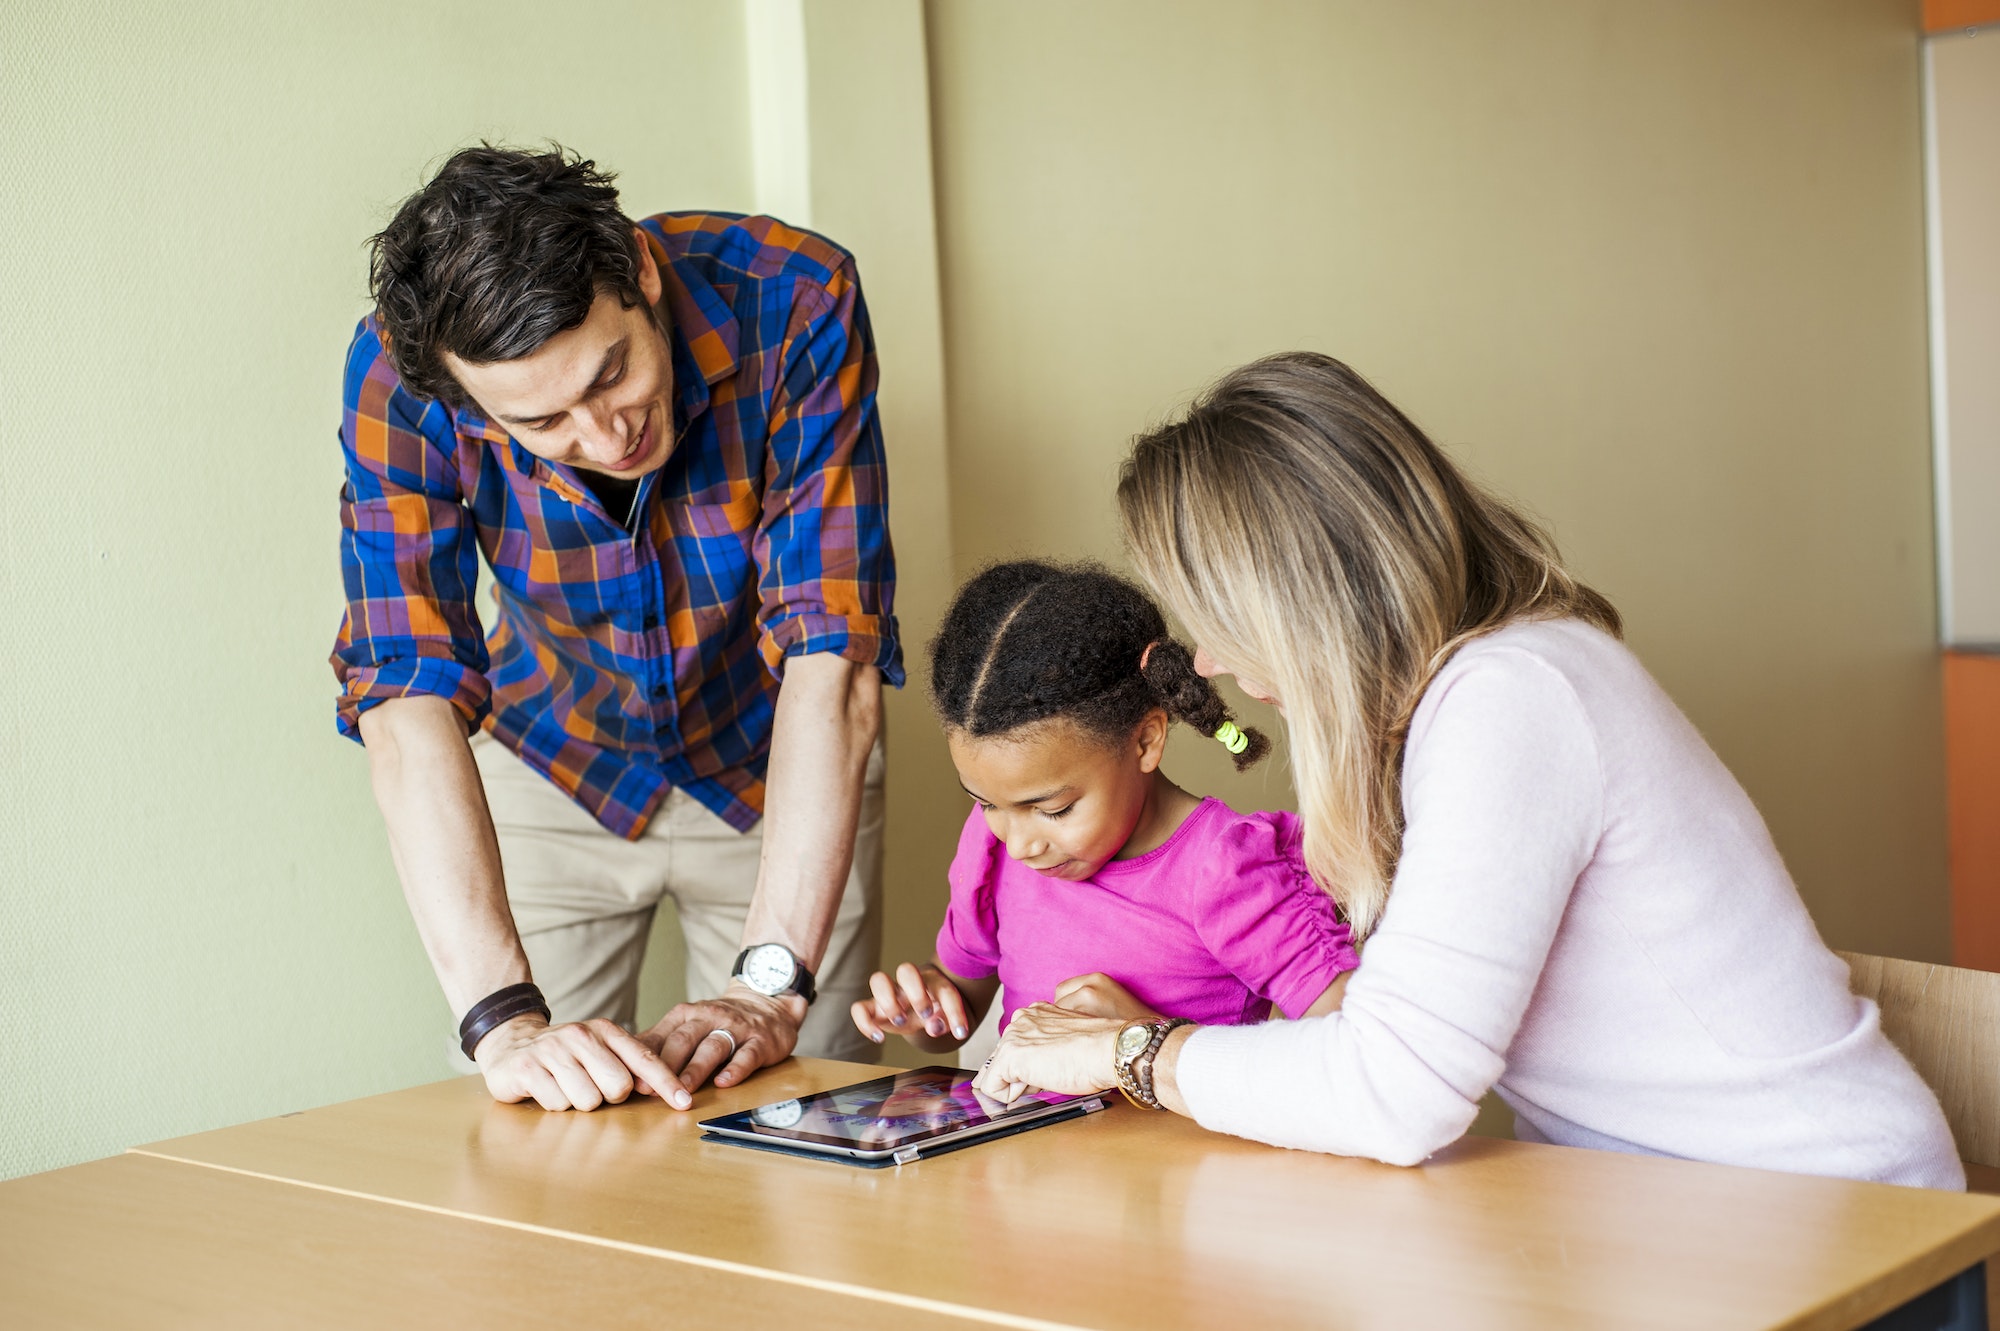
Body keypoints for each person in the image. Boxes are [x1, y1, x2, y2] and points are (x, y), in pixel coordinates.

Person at [974, 353, 1963, 1189]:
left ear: (1296, 599)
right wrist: (1150, 1041)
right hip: (1645, 1201)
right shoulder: (1466, 702)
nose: (1217, 664)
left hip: (1823, 1216)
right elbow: (1385, 1044)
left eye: (1221, 622)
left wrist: (1129, 1053)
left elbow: (1394, 1091)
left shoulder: (1513, 700)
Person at [331, 144, 899, 1113]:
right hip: (554, 762)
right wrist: (501, 1018)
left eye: (613, 375)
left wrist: (767, 986)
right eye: (543, 423)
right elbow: (403, 689)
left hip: (775, 763)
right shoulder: (399, 376)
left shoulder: (797, 299)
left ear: (638, 269)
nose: (605, 438)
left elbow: (830, 652)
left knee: (808, 1137)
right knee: (539, 1130)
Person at [853, 561, 1359, 1081]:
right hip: (1020, 1158)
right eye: (986, 802)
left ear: (1146, 741)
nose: (1020, 843)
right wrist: (926, 1011)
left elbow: (1360, 1056)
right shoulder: (993, 847)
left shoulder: (1229, 870)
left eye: (1054, 810)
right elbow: (964, 1006)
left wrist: (1147, 1039)